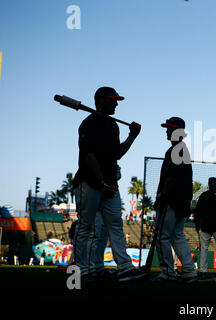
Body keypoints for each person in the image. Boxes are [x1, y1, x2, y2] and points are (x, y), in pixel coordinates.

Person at [72, 86, 144, 282]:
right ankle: (81, 272)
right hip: (89, 182)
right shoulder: (88, 124)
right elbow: (88, 155)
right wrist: (101, 180)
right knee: (85, 227)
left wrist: (132, 137)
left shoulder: (113, 126)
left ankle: (125, 268)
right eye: (112, 100)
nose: (116, 103)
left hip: (109, 184)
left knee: (115, 225)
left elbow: (116, 155)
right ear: (101, 100)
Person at [152, 117, 197, 283]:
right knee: (177, 236)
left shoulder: (175, 150)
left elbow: (170, 179)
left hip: (171, 200)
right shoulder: (182, 149)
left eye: (169, 128)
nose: (167, 131)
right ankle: (189, 272)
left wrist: (161, 196)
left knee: (163, 237)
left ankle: (167, 273)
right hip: (181, 201)